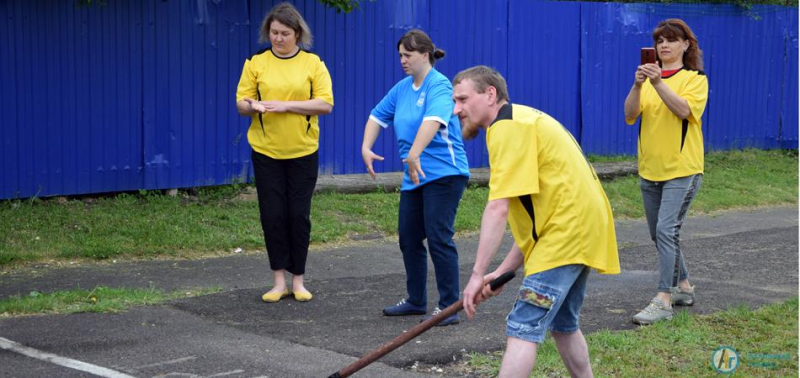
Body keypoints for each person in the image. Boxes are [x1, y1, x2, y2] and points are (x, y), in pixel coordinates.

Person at [455, 66, 620, 378]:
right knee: (563, 324)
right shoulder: (521, 120)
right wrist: (502, 272)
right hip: (576, 229)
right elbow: (537, 216)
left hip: (567, 234)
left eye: (463, 99)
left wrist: (477, 275)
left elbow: (498, 208)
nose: (456, 109)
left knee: (523, 325)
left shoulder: (507, 128)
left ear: (490, 94)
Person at [361, 29, 470, 326]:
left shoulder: (439, 85)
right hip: (416, 175)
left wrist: (413, 155)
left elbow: (433, 121)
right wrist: (366, 147)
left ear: (425, 54)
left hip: (446, 172)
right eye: (400, 55)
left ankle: (449, 307)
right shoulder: (402, 89)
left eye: (407, 55)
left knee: (438, 237)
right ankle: (416, 301)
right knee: (408, 238)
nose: (402, 60)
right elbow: (376, 116)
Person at [235, 2, 333, 303]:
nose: (278, 38)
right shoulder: (256, 61)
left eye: (285, 33)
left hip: (303, 151)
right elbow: (241, 103)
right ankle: (278, 281)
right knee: (273, 214)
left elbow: (325, 104)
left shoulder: (313, 63)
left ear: (297, 33)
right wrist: (254, 105)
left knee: (298, 215)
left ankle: (298, 281)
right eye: (274, 32)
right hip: (266, 151)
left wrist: (287, 105)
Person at [624, 19, 708, 325]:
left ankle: (663, 299)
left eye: (671, 40)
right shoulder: (646, 80)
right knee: (658, 234)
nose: (664, 46)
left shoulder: (694, 78)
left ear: (686, 45)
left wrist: (658, 83)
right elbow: (630, 114)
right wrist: (637, 85)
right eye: (660, 41)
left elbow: (684, 110)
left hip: (682, 169)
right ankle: (684, 287)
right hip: (650, 169)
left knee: (666, 230)